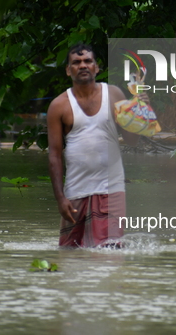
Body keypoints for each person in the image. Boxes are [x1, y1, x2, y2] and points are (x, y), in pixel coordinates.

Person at [47, 43, 147, 248]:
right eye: (76, 62)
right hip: (75, 190)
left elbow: (132, 140)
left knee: (109, 251)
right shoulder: (59, 105)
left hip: (111, 189)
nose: (82, 65)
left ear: (97, 67)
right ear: (68, 70)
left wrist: (138, 111)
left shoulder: (114, 95)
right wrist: (60, 198)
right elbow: (54, 156)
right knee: (69, 252)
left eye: (88, 61)